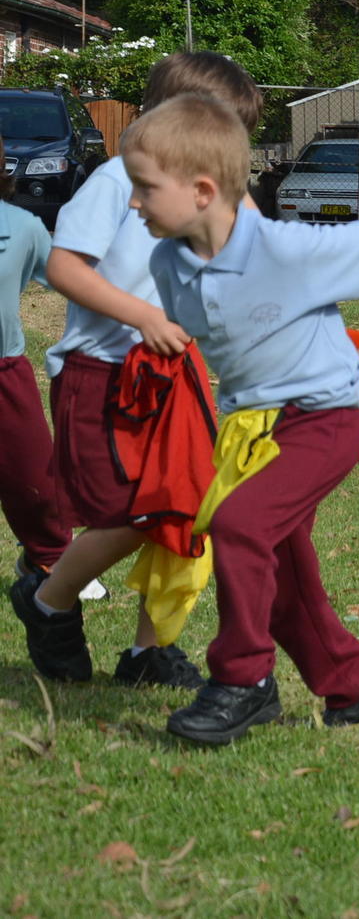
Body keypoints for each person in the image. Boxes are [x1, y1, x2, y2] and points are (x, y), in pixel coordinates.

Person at [121, 94, 359, 744]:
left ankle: (243, 681)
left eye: (143, 188)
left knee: (240, 524)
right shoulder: (168, 262)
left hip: (327, 416)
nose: (133, 203)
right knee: (279, 572)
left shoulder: (286, 248)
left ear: (202, 190)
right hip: (253, 429)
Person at [11, 52, 260, 689]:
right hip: (102, 377)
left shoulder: (216, 189)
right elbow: (66, 269)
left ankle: (147, 654)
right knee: (129, 511)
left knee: (184, 512)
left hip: (175, 380)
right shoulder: (117, 179)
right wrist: (142, 316)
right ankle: (49, 602)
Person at [0, 139, 68, 599]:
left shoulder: (22, 225)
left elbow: (73, 278)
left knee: (35, 480)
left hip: (5, 370)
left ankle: (49, 558)